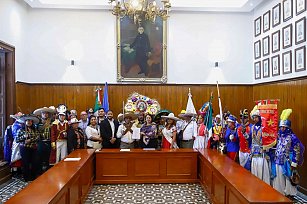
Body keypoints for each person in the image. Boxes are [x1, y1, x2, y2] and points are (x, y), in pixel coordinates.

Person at [272, 109, 305, 197]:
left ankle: (290, 194)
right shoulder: (279, 135)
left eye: (284, 127)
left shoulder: (292, 137)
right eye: (281, 127)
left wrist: (294, 162)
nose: (282, 129)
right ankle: (279, 191)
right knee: (278, 176)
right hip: (278, 159)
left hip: (287, 161)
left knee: (288, 177)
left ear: (288, 127)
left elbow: (297, 150)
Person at [250, 106, 270, 185]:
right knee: (254, 171)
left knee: (262, 172)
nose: (254, 119)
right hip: (254, 153)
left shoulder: (264, 127)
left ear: (259, 117)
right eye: (253, 118)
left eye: (256, 117)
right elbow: (251, 139)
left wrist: (265, 148)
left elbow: (268, 140)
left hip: (262, 154)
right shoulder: (253, 127)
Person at [16, 114, 40, 181]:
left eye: (30, 121)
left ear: (32, 122)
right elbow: (17, 140)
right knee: (25, 163)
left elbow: (38, 137)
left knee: (34, 162)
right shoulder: (21, 130)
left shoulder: (35, 130)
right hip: (24, 148)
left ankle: (33, 176)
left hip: (33, 148)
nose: (29, 122)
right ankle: (26, 177)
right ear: (25, 122)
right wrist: (24, 138)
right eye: (27, 121)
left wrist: (30, 140)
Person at [33, 106, 55, 173]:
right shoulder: (38, 123)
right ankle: (39, 172)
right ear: (41, 114)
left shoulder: (51, 122)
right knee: (39, 157)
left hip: (48, 142)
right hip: (41, 142)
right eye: (44, 113)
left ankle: (48, 172)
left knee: (48, 157)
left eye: (46, 113)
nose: (45, 114)